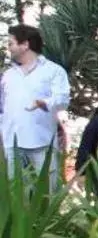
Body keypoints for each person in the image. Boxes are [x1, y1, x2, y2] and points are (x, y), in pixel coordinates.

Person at [1, 24, 69, 183]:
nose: (8, 48)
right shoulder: (8, 75)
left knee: (47, 195)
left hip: (43, 143)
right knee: (15, 195)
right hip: (12, 145)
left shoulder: (54, 71)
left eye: (11, 43)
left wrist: (44, 103)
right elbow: (2, 108)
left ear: (25, 45)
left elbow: (63, 100)